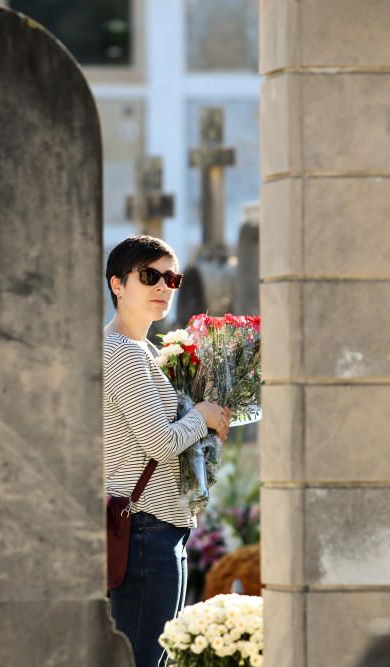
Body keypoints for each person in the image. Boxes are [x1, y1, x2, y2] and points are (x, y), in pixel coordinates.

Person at [103, 235, 230, 665]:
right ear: (118, 284)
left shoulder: (147, 352)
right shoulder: (121, 353)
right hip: (143, 533)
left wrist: (206, 430)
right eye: (149, 276)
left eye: (171, 277)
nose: (163, 286)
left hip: (161, 529)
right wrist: (204, 417)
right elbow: (159, 441)